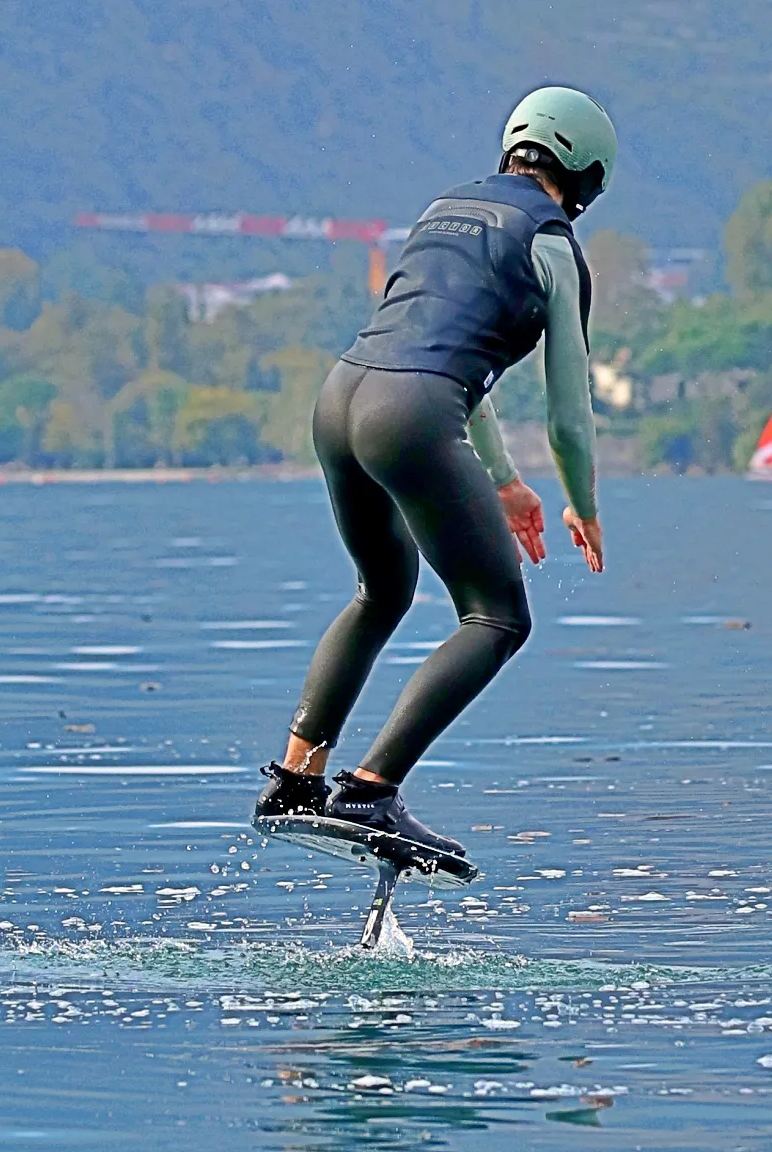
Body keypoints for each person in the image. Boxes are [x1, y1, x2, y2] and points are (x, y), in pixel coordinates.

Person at [252, 86, 616, 863]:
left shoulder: (444, 210)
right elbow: (567, 414)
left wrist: (505, 480)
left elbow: (438, 350)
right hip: (411, 414)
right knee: (497, 618)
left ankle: (295, 778)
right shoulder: (552, 244)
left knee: (380, 590)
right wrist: (582, 504)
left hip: (340, 397)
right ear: (587, 174)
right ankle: (371, 789)